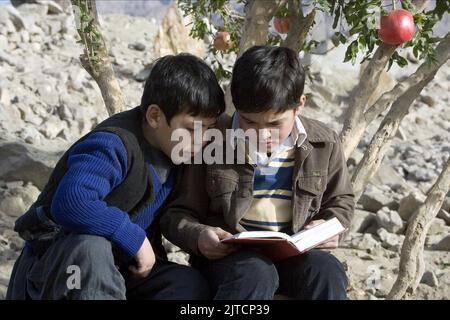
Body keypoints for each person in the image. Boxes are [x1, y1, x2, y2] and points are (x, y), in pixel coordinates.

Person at [6, 53, 225, 300]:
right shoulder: (112, 145)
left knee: (185, 284)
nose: (201, 138)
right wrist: (135, 239)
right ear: (154, 116)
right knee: (91, 250)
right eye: (191, 128)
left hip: (120, 272)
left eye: (208, 128)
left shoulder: (178, 152)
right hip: (59, 273)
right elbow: (72, 201)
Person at [161, 45, 355, 300]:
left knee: (327, 270)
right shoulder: (211, 139)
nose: (262, 134)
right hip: (229, 262)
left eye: (275, 123)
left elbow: (341, 202)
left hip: (296, 256)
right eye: (249, 121)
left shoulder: (324, 142)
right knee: (255, 272)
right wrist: (198, 236)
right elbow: (177, 213)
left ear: (299, 106)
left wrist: (328, 227)